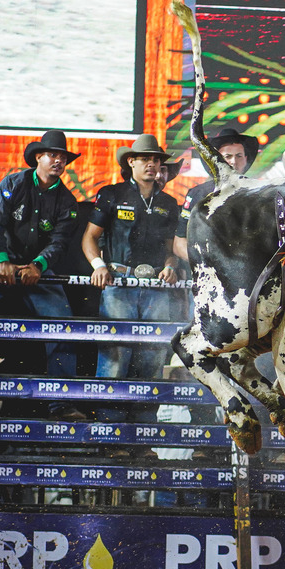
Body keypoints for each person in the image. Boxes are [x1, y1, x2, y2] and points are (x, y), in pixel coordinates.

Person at [0, 129, 83, 418]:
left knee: (64, 323)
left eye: (62, 157)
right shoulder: (12, 184)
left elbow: (60, 243)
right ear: (38, 158)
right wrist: (1, 260)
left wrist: (39, 265)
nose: (58, 161)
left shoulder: (68, 201)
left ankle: (61, 402)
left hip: (37, 269)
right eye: (52, 155)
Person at [81, 134, 181, 422]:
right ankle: (107, 426)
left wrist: (171, 266)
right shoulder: (111, 194)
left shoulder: (169, 203)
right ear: (131, 162)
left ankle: (145, 428)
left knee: (153, 357)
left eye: (156, 160)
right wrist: (98, 265)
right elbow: (90, 237)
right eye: (145, 159)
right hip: (119, 282)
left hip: (156, 288)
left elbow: (171, 249)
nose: (152, 164)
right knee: (115, 356)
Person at [172, 127, 260, 263]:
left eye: (239, 156)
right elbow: (179, 242)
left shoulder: (257, 193)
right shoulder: (198, 194)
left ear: (246, 159)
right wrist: (205, 264)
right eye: (227, 156)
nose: (234, 162)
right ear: (216, 160)